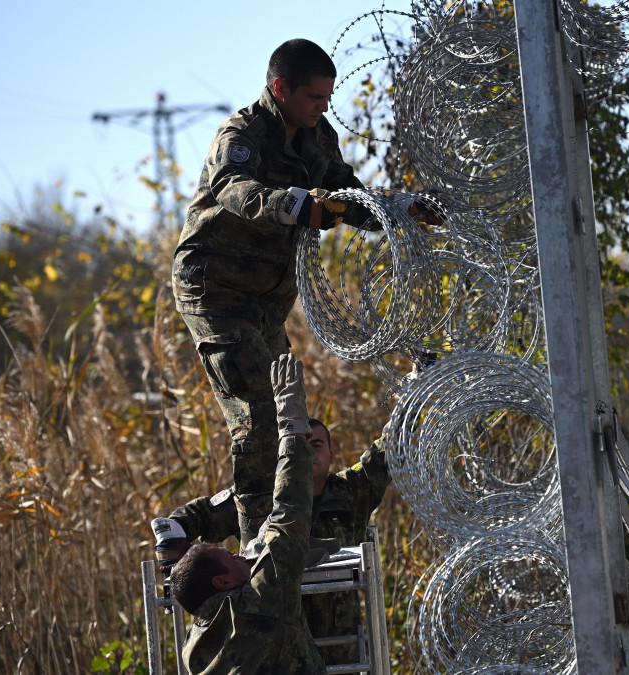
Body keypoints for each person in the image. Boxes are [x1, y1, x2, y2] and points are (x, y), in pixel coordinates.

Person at [172, 38, 388, 547]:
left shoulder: (318, 138)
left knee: (292, 418)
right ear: (280, 89)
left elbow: (347, 196)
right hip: (216, 291)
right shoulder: (241, 134)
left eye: (328, 97)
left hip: (267, 304)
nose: (323, 107)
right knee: (259, 423)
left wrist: (397, 212)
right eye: (315, 97)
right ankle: (260, 554)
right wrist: (293, 205)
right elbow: (234, 188)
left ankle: (288, 539)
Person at [153, 418, 390, 665]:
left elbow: (386, 452)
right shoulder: (257, 499)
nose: (307, 452)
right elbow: (196, 516)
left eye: (316, 445)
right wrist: (172, 551)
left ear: (331, 455)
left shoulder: (350, 492)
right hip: (276, 652)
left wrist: (413, 399)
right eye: (301, 444)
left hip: (341, 648)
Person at [168, 353, 325, 674]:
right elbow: (289, 518)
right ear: (222, 581)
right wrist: (293, 431)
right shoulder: (258, 606)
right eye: (231, 558)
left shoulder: (194, 649)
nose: (240, 557)